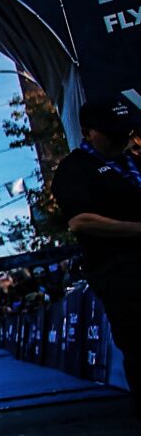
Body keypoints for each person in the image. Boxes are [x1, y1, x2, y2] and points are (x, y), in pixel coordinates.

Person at [51, 99, 141, 414]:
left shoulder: (134, 159)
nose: (120, 139)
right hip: (120, 271)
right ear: (88, 133)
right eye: (111, 133)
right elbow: (81, 221)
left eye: (124, 132)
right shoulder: (74, 170)